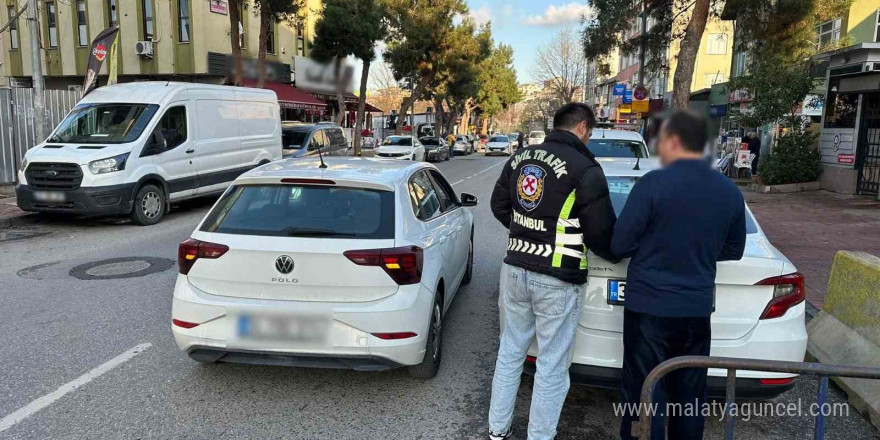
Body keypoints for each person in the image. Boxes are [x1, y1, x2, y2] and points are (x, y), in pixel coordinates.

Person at [612, 111, 746, 440]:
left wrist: (653, 247)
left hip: (649, 309)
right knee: (690, 395)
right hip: (696, 310)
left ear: (674, 142)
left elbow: (619, 243)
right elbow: (735, 249)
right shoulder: (729, 190)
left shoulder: (653, 184)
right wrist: (697, 252)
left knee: (644, 391)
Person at [488, 103, 618, 440]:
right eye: (589, 132)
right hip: (558, 277)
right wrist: (622, 251)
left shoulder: (520, 158)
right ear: (582, 128)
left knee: (510, 352)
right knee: (551, 367)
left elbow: (498, 205)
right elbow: (602, 233)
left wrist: (525, 232)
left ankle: (496, 430)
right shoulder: (586, 167)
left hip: (515, 269)